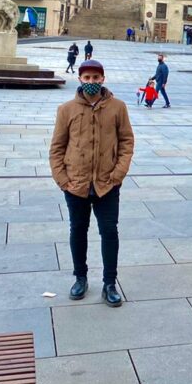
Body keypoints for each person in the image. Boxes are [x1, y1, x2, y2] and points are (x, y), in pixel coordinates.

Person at [49, 59, 133, 307]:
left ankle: (110, 283)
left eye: (96, 78)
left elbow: (127, 142)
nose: (92, 82)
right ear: (80, 79)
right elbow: (57, 147)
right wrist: (62, 179)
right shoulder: (66, 110)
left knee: (109, 232)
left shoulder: (118, 107)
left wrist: (117, 174)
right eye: (87, 78)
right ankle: (80, 278)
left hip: (107, 184)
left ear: (103, 79)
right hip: (76, 184)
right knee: (78, 231)